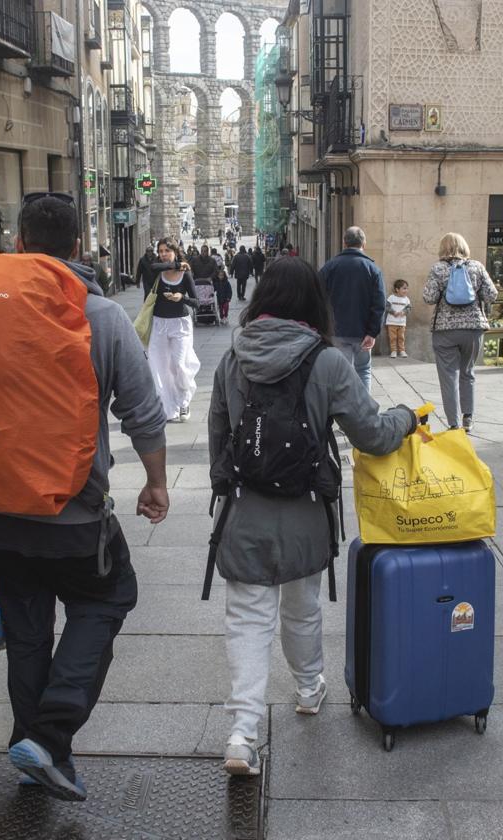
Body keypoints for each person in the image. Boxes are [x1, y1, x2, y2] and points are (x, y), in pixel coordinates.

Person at [0, 195, 169, 802]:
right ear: (77, 247)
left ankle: (35, 752)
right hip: (72, 511)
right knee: (109, 596)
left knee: (27, 630)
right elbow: (143, 412)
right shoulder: (101, 316)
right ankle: (49, 734)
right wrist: (157, 482)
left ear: (19, 243)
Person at [207, 256, 419, 777]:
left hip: (246, 513)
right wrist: (407, 417)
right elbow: (372, 433)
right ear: (312, 304)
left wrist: (224, 485)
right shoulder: (326, 361)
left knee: (248, 620)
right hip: (304, 511)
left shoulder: (234, 358)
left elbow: (218, 433)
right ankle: (308, 687)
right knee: (301, 610)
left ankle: (242, 732)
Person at [422, 232, 498, 432]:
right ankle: (468, 418)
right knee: (467, 373)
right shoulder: (476, 267)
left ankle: (454, 423)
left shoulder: (438, 269)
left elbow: (429, 297)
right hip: (473, 329)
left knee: (449, 377)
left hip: (445, 330)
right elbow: (492, 294)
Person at [319, 227, 386, 391]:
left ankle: (343, 411)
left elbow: (317, 297)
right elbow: (379, 303)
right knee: (363, 371)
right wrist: (372, 332)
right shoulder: (372, 269)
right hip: (363, 333)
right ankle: (364, 411)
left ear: (344, 242)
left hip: (337, 331)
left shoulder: (330, 267)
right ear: (364, 243)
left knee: (341, 372)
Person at [147, 237, 201, 422]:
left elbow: (197, 303)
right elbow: (153, 267)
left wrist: (181, 297)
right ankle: (168, 407)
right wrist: (177, 263)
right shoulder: (157, 271)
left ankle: (184, 402)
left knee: (179, 365)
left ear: (175, 251)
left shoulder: (185, 274)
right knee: (159, 367)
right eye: (160, 251)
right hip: (159, 323)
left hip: (180, 324)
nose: (162, 255)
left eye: (166, 251)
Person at [385, 279, 411, 359]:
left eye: (406, 288)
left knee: (401, 337)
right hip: (391, 322)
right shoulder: (391, 298)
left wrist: (404, 312)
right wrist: (393, 312)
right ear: (397, 289)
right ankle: (393, 351)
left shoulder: (406, 299)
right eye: (404, 288)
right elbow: (387, 306)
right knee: (393, 337)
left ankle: (402, 350)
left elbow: (409, 308)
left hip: (402, 323)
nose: (406, 290)